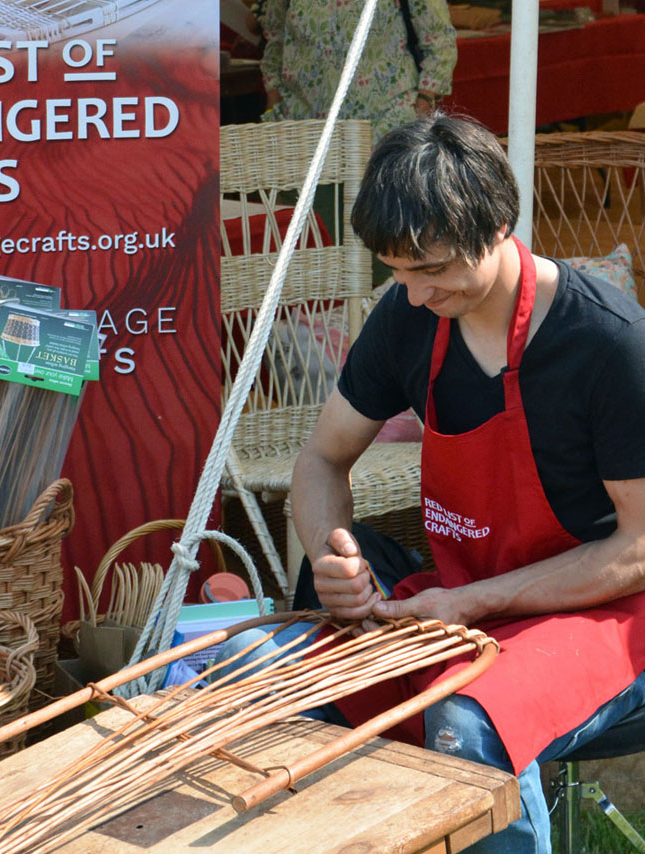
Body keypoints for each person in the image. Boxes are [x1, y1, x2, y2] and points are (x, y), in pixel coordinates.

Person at [219, 114, 645, 854]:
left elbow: (640, 549)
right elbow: (320, 460)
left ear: (500, 224)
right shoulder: (409, 318)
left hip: (607, 613)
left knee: (465, 723)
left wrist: (477, 601)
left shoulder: (610, 344)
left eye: (435, 269)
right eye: (398, 272)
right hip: (462, 600)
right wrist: (333, 553)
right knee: (305, 691)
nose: (414, 294)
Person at [259, 0, 457, 143]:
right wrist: (274, 97)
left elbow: (439, 38)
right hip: (303, 130)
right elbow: (275, 37)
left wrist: (423, 103)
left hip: (385, 128)